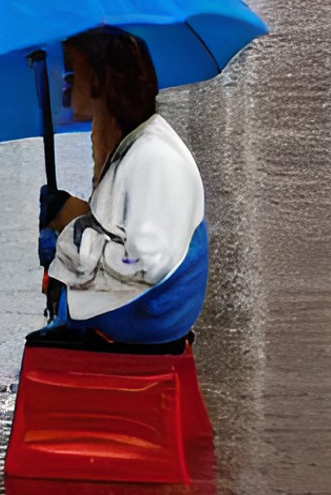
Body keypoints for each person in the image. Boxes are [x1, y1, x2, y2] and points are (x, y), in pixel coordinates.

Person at [34, 27, 208, 349]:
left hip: (151, 312)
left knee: (58, 315)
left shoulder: (153, 158)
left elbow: (145, 262)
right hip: (146, 303)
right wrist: (79, 217)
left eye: (74, 69)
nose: (66, 81)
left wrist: (72, 239)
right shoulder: (130, 144)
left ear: (105, 80)